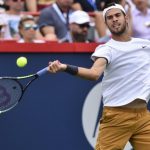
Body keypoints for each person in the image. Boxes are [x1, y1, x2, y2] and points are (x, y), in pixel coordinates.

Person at [47, 3, 150, 150]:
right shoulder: (106, 49)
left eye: (117, 15)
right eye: (109, 18)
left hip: (143, 117)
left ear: (126, 18)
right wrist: (64, 67)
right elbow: (94, 74)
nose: (114, 19)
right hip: (116, 118)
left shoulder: (145, 45)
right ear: (106, 23)